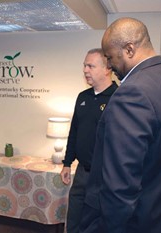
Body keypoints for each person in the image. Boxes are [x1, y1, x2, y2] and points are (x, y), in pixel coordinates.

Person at [80, 17, 161, 233]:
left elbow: (120, 184)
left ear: (129, 49)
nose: (109, 65)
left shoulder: (132, 92)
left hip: (138, 222)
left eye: (110, 57)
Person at [60, 48, 118, 233]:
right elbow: (74, 130)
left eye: (90, 66)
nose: (85, 70)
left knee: (94, 225)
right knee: (74, 219)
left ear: (107, 68)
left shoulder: (118, 98)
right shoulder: (82, 97)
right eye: (84, 65)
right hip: (81, 173)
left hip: (103, 177)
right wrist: (67, 163)